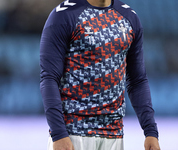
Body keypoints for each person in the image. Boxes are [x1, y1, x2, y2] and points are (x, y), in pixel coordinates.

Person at [40, 0, 161, 150]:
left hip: (114, 135)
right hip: (73, 134)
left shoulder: (129, 17)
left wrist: (150, 131)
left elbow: (137, 81)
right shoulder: (63, 16)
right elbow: (49, 78)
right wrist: (58, 134)